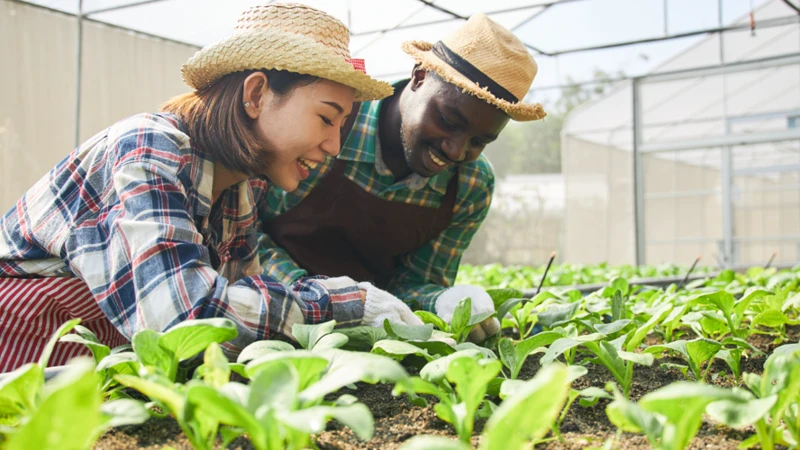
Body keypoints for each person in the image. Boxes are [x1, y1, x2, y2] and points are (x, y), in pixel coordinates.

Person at [0, 3, 422, 373]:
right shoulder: (147, 147)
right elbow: (183, 321)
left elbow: (244, 306)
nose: (333, 146)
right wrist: (343, 304)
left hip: (90, 369)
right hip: (20, 352)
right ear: (255, 94)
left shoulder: (242, 188)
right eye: (326, 118)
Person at [257, 13, 547, 342]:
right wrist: (321, 297)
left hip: (372, 340)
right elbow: (246, 234)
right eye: (448, 120)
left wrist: (440, 301)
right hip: (268, 317)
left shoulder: (470, 186)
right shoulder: (329, 125)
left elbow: (414, 285)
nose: (455, 151)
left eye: (478, 142)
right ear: (420, 76)